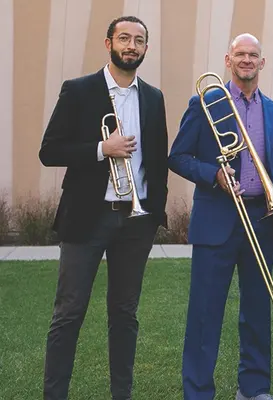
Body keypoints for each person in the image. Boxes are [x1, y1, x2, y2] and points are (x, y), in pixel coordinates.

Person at [38, 15, 168, 400]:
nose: (131, 45)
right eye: (124, 38)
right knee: (69, 313)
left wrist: (154, 210)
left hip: (135, 224)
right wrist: (102, 149)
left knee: (125, 316)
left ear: (146, 48)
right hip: (87, 219)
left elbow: (157, 159)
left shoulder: (154, 96)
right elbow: (49, 151)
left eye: (138, 40)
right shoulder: (78, 90)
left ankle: (121, 395)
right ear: (108, 42)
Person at [168, 33, 273, 400]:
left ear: (262, 63)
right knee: (205, 313)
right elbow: (178, 156)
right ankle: (199, 392)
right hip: (217, 219)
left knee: (257, 310)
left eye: (254, 55)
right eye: (240, 54)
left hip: (260, 218)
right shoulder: (206, 101)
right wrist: (213, 174)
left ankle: (254, 389)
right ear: (228, 59)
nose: (247, 60)